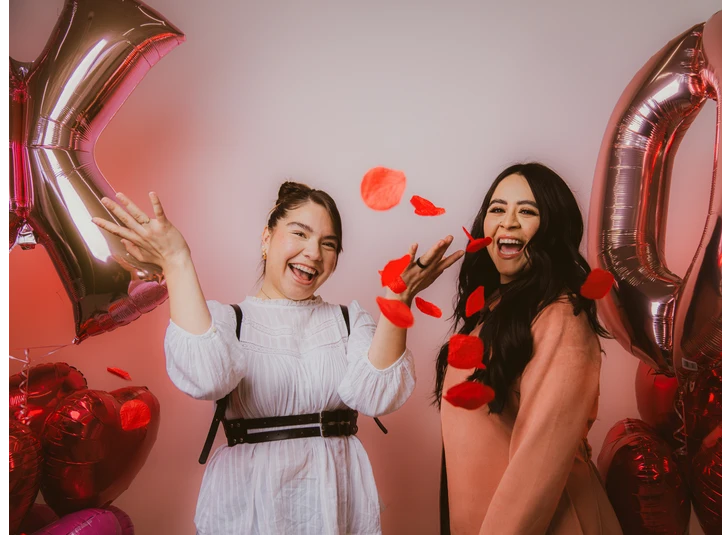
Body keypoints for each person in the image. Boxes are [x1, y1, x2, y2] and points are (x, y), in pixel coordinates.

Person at [93, 181, 463, 535]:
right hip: (250, 503)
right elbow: (206, 377)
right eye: (300, 233)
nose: (314, 253)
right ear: (267, 237)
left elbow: (376, 397)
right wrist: (177, 260)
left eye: (328, 244)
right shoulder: (227, 321)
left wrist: (398, 300)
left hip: (335, 500)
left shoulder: (350, 322)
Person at [434, 163, 623, 534]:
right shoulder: (494, 309)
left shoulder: (561, 316)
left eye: (527, 211)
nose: (508, 222)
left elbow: (539, 460)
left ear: (552, 228)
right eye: (497, 209)